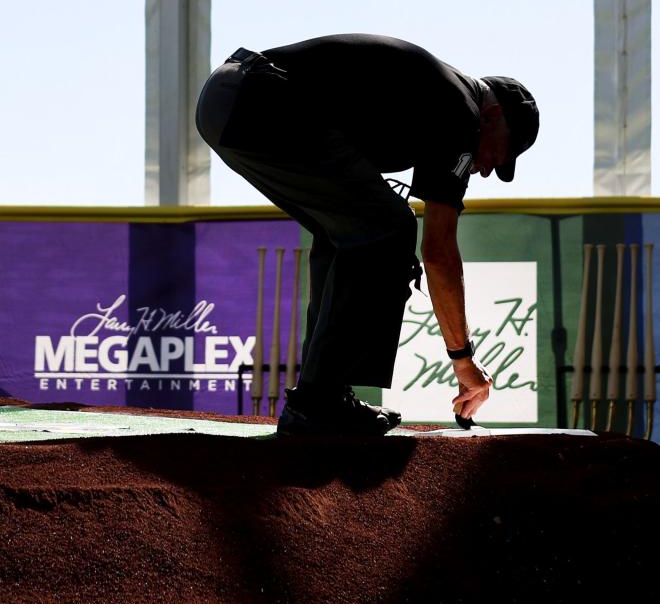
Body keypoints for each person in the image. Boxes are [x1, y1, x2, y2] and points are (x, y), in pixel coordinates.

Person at [195, 34, 539, 436]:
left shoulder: (437, 96)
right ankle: (318, 400)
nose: (486, 169)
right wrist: (463, 359)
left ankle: (322, 394)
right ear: (492, 115)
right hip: (261, 99)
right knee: (389, 229)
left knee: (347, 232)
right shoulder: (461, 112)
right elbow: (439, 251)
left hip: (227, 100)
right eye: (500, 153)